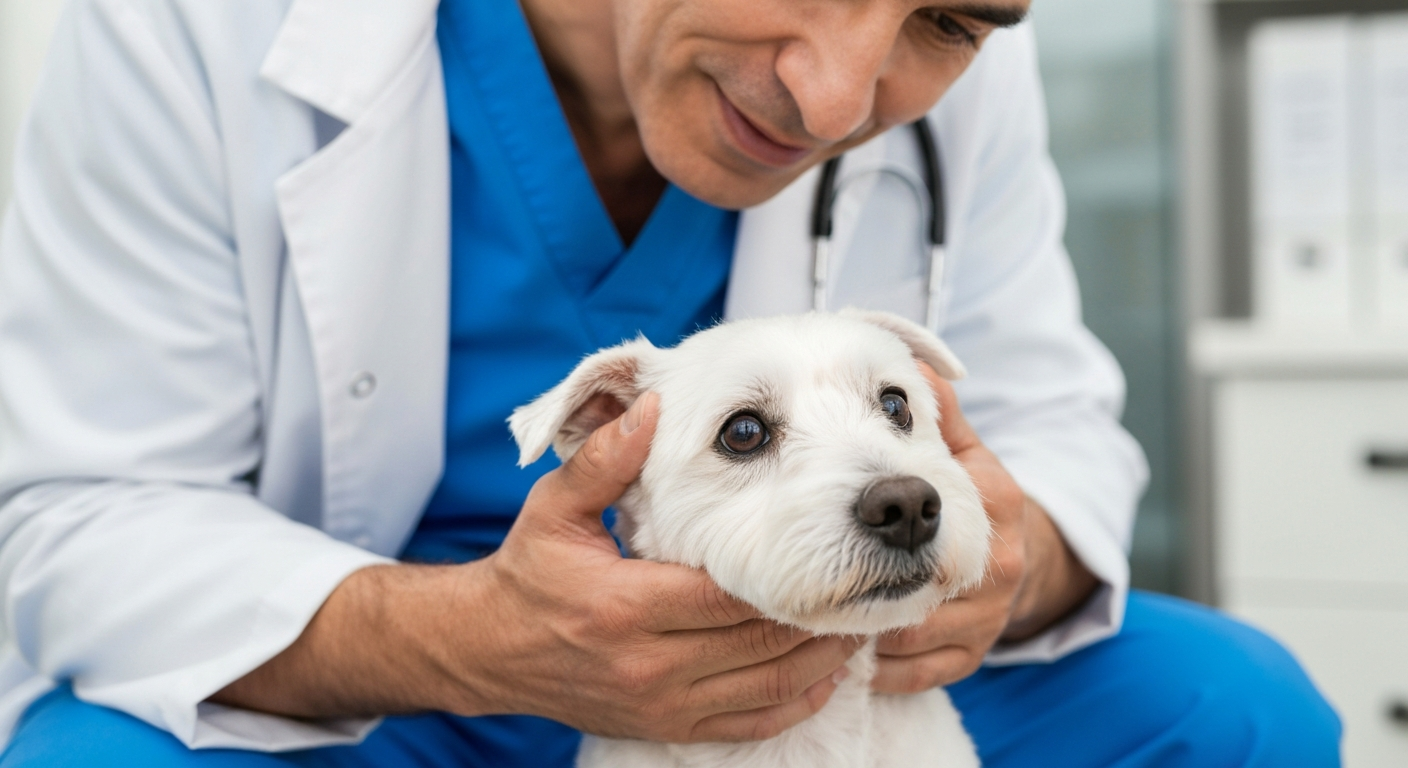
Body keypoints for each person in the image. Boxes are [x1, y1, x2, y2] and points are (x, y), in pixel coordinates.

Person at [0, 0, 1340, 765]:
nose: (835, 101)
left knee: (1242, 712)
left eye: (943, 18)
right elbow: (81, 512)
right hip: (389, 679)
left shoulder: (956, 69)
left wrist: (1006, 555)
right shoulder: (194, 24)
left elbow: (1045, 418)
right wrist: (471, 641)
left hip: (817, 667)